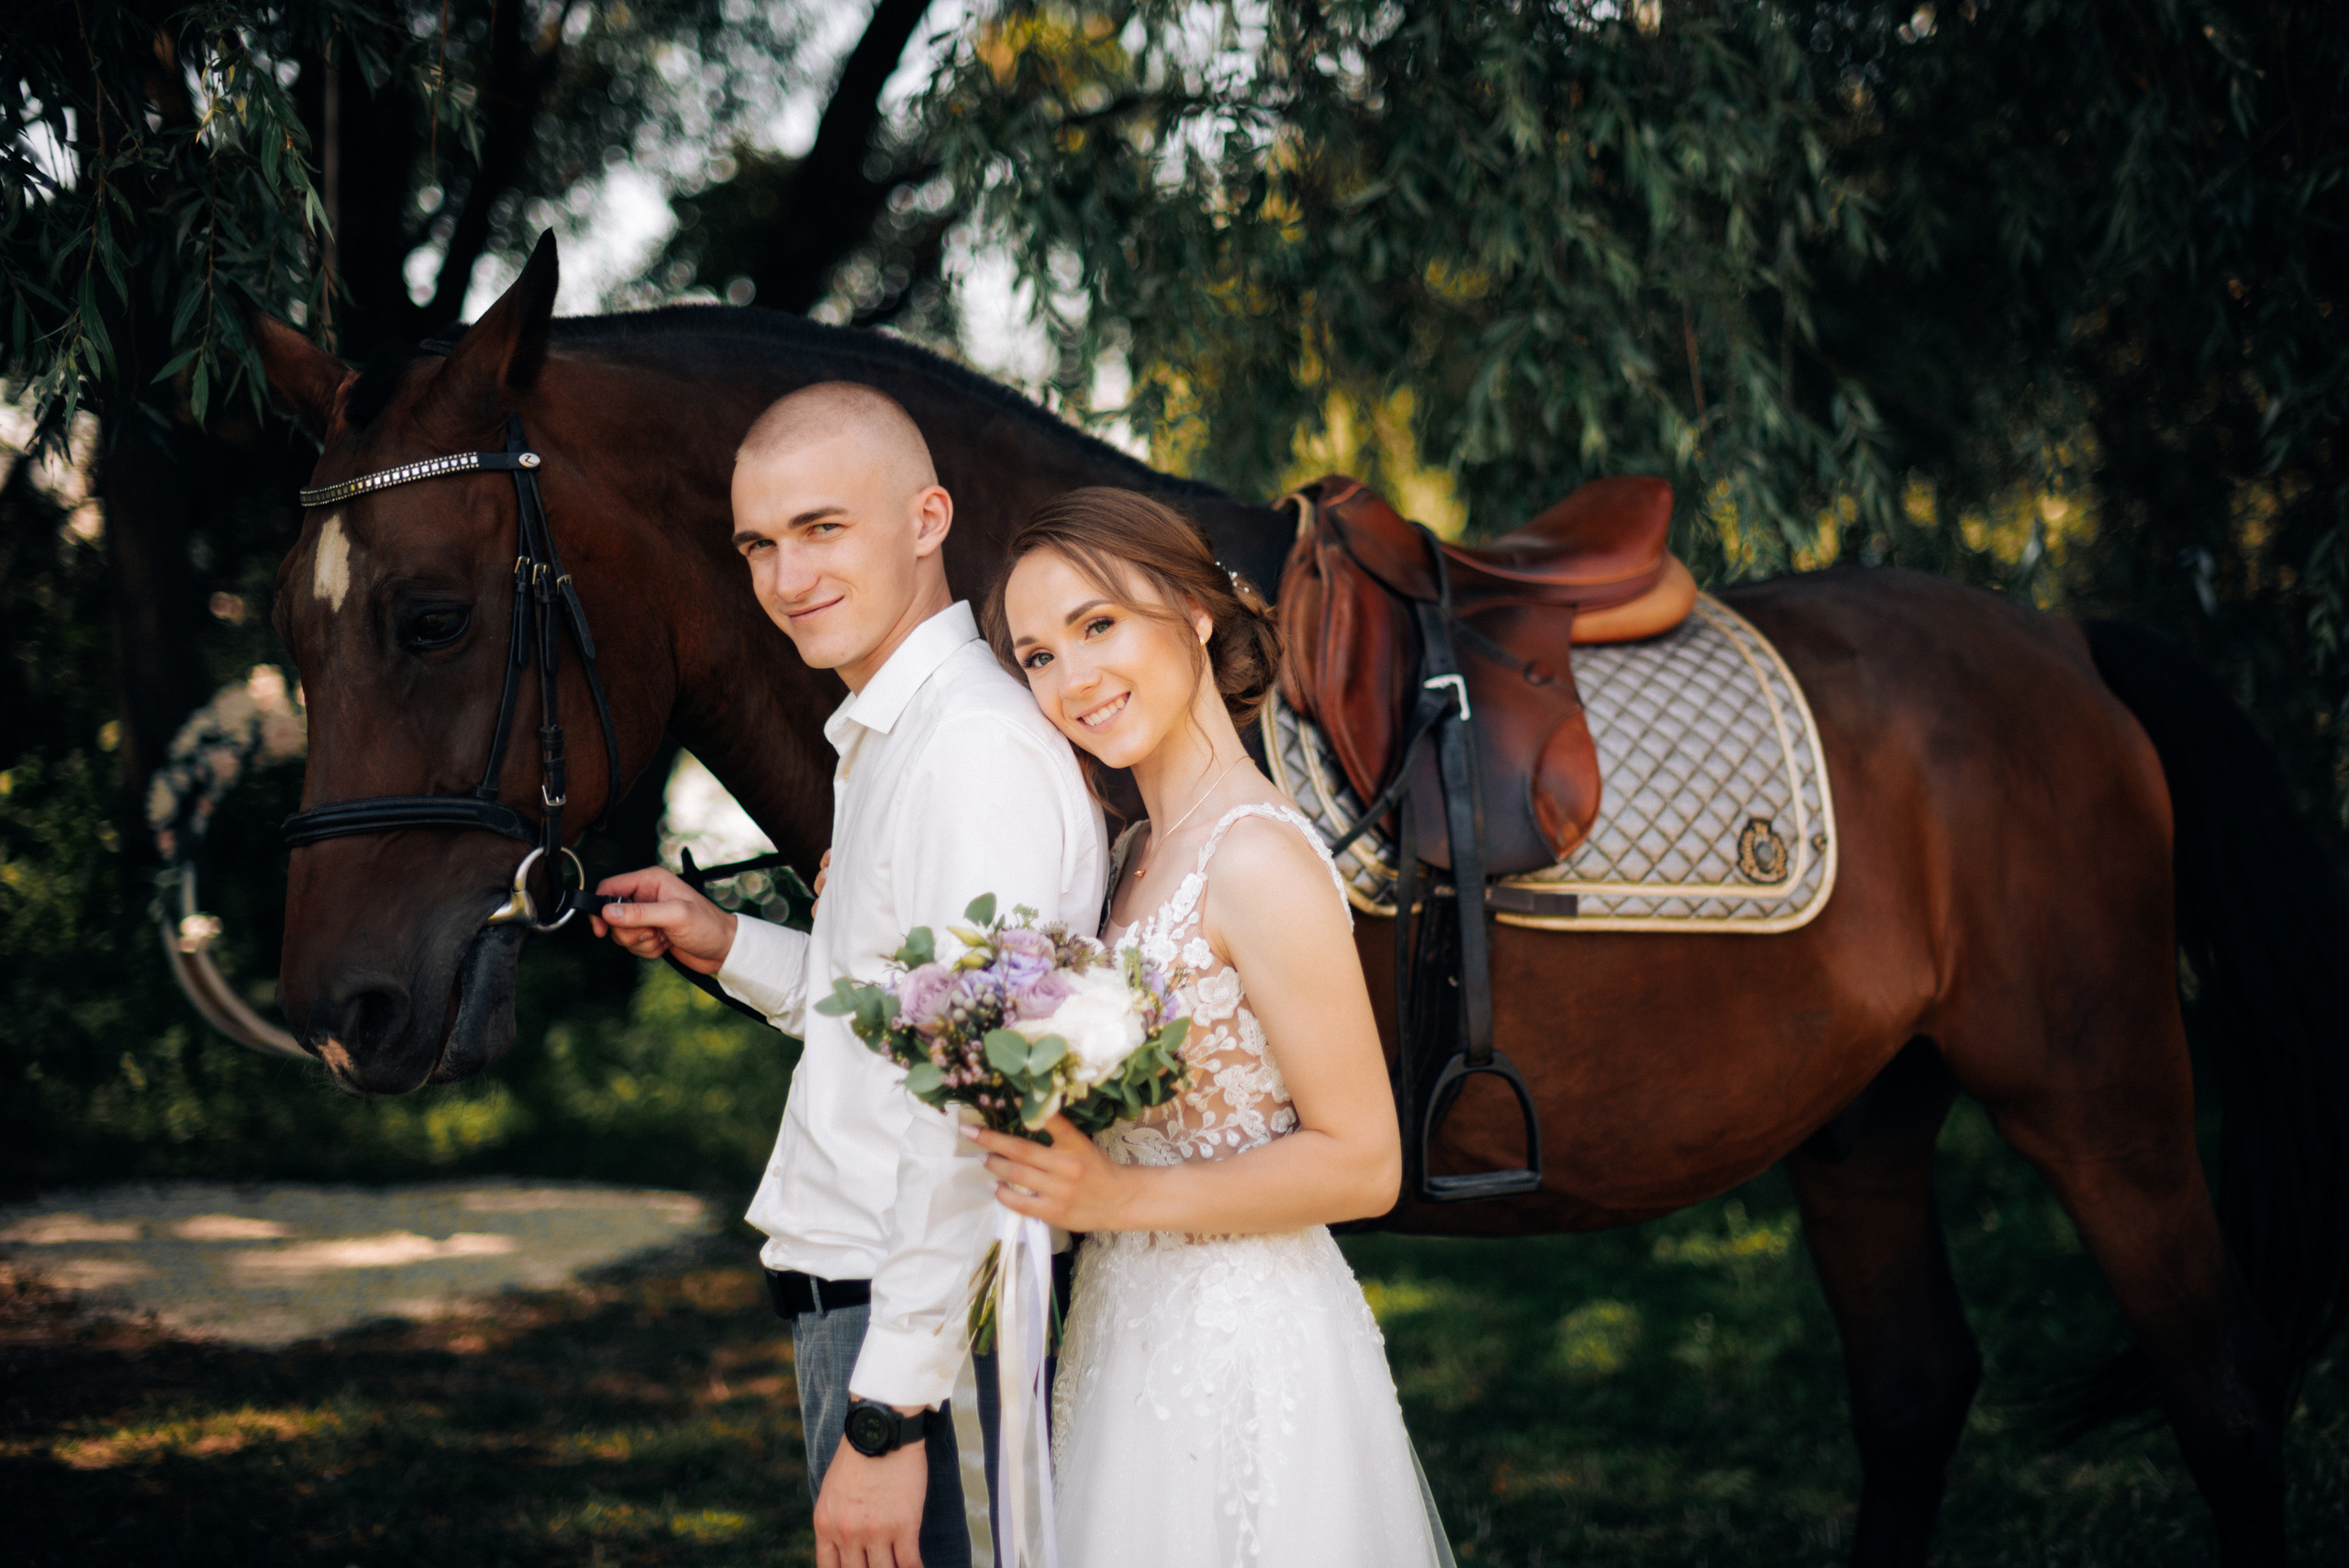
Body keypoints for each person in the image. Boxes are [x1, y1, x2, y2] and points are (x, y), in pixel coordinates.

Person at [591, 384, 1106, 1568]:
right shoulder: (893, 736)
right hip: (879, 1315)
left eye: (824, 529)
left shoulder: (967, 748)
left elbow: (975, 1100)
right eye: (759, 545)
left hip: (922, 1328)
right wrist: (726, 943)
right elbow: (899, 1018)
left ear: (927, 519)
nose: (786, 578)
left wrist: (889, 1415)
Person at [971, 486, 1456, 1567]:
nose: (1073, 678)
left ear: (1193, 609)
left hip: (1243, 1347)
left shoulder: (1256, 856)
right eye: (1038, 654)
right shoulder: (1132, 850)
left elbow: (1366, 1162)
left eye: (1098, 625)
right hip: (1122, 1323)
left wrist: (1118, 1197)